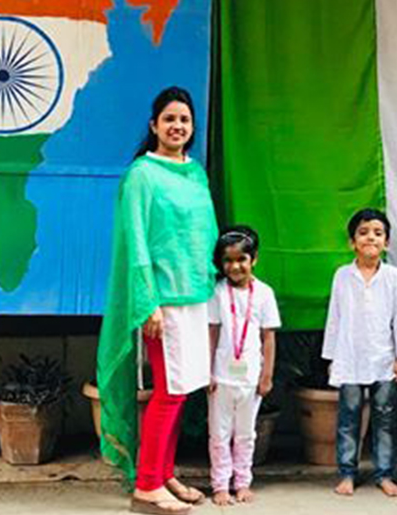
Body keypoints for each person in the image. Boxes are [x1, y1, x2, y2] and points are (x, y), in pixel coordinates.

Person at [97, 86, 219, 515]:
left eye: (184, 120)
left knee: (182, 392)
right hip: (162, 301)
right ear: (154, 126)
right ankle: (146, 486)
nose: (177, 126)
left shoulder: (196, 173)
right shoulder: (142, 175)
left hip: (196, 296)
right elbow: (136, 242)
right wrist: (148, 301)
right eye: (169, 119)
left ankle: (164, 473)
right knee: (168, 391)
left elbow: (204, 234)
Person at [322, 208, 397, 497]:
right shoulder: (342, 275)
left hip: (383, 358)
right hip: (349, 357)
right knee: (348, 417)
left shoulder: (394, 277)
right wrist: (332, 358)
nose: (370, 238)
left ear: (387, 242)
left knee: (385, 418)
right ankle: (347, 473)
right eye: (363, 233)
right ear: (352, 242)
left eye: (377, 233)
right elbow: (334, 318)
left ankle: (384, 474)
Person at [207, 225, 281, 506]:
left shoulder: (264, 293)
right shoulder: (217, 292)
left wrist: (267, 376)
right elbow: (212, 332)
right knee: (219, 433)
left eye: (242, 259)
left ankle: (242, 482)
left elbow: (268, 337)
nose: (235, 266)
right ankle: (220, 485)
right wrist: (207, 371)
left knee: (246, 434)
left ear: (254, 259)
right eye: (228, 260)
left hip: (251, 377)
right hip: (221, 377)